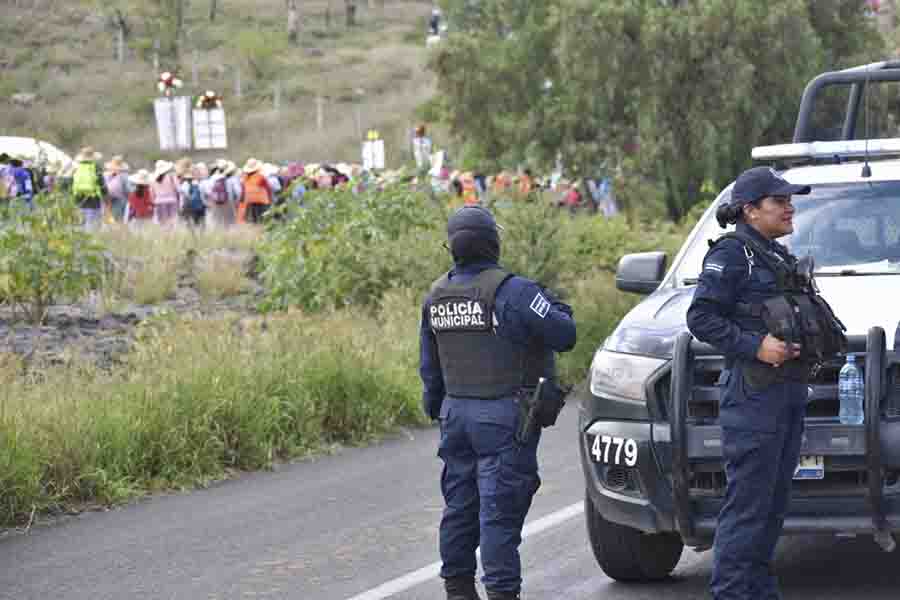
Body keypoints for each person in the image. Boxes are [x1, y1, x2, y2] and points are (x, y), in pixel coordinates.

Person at [687, 167, 845, 600]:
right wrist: (755, 346)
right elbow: (701, 316)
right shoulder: (734, 254)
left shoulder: (775, 255)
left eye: (790, 200)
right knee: (748, 512)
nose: (790, 207)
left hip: (787, 395)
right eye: (780, 201)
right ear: (751, 210)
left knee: (772, 510)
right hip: (755, 397)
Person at [419, 206, 577, 600]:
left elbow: (429, 367)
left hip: (455, 415)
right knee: (498, 517)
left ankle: (458, 591)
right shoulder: (515, 291)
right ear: (493, 243)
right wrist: (555, 302)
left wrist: (440, 409)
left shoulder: (436, 295)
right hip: (503, 420)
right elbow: (564, 333)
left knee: (459, 508)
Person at [71, 147, 108, 230]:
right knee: (92, 226)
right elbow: (101, 183)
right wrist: (105, 194)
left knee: (80, 225)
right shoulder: (96, 167)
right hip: (93, 201)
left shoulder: (77, 167)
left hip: (79, 199)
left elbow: (72, 182)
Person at [240, 158, 273, 224]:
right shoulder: (261, 177)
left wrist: (242, 200)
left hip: (249, 200)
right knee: (262, 219)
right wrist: (270, 200)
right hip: (261, 201)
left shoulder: (244, 177)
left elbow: (243, 190)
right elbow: (268, 189)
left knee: (253, 219)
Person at [150, 160, 180, 227]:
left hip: (159, 202)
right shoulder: (171, 176)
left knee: (162, 223)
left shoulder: (153, 179)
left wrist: (154, 202)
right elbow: (178, 189)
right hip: (171, 200)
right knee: (172, 221)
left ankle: (165, 236)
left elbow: (152, 194)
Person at [104, 156, 131, 223]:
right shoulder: (124, 175)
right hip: (120, 199)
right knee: (118, 218)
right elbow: (127, 189)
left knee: (108, 216)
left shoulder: (105, 174)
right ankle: (116, 230)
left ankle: (108, 228)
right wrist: (128, 197)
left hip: (107, 198)